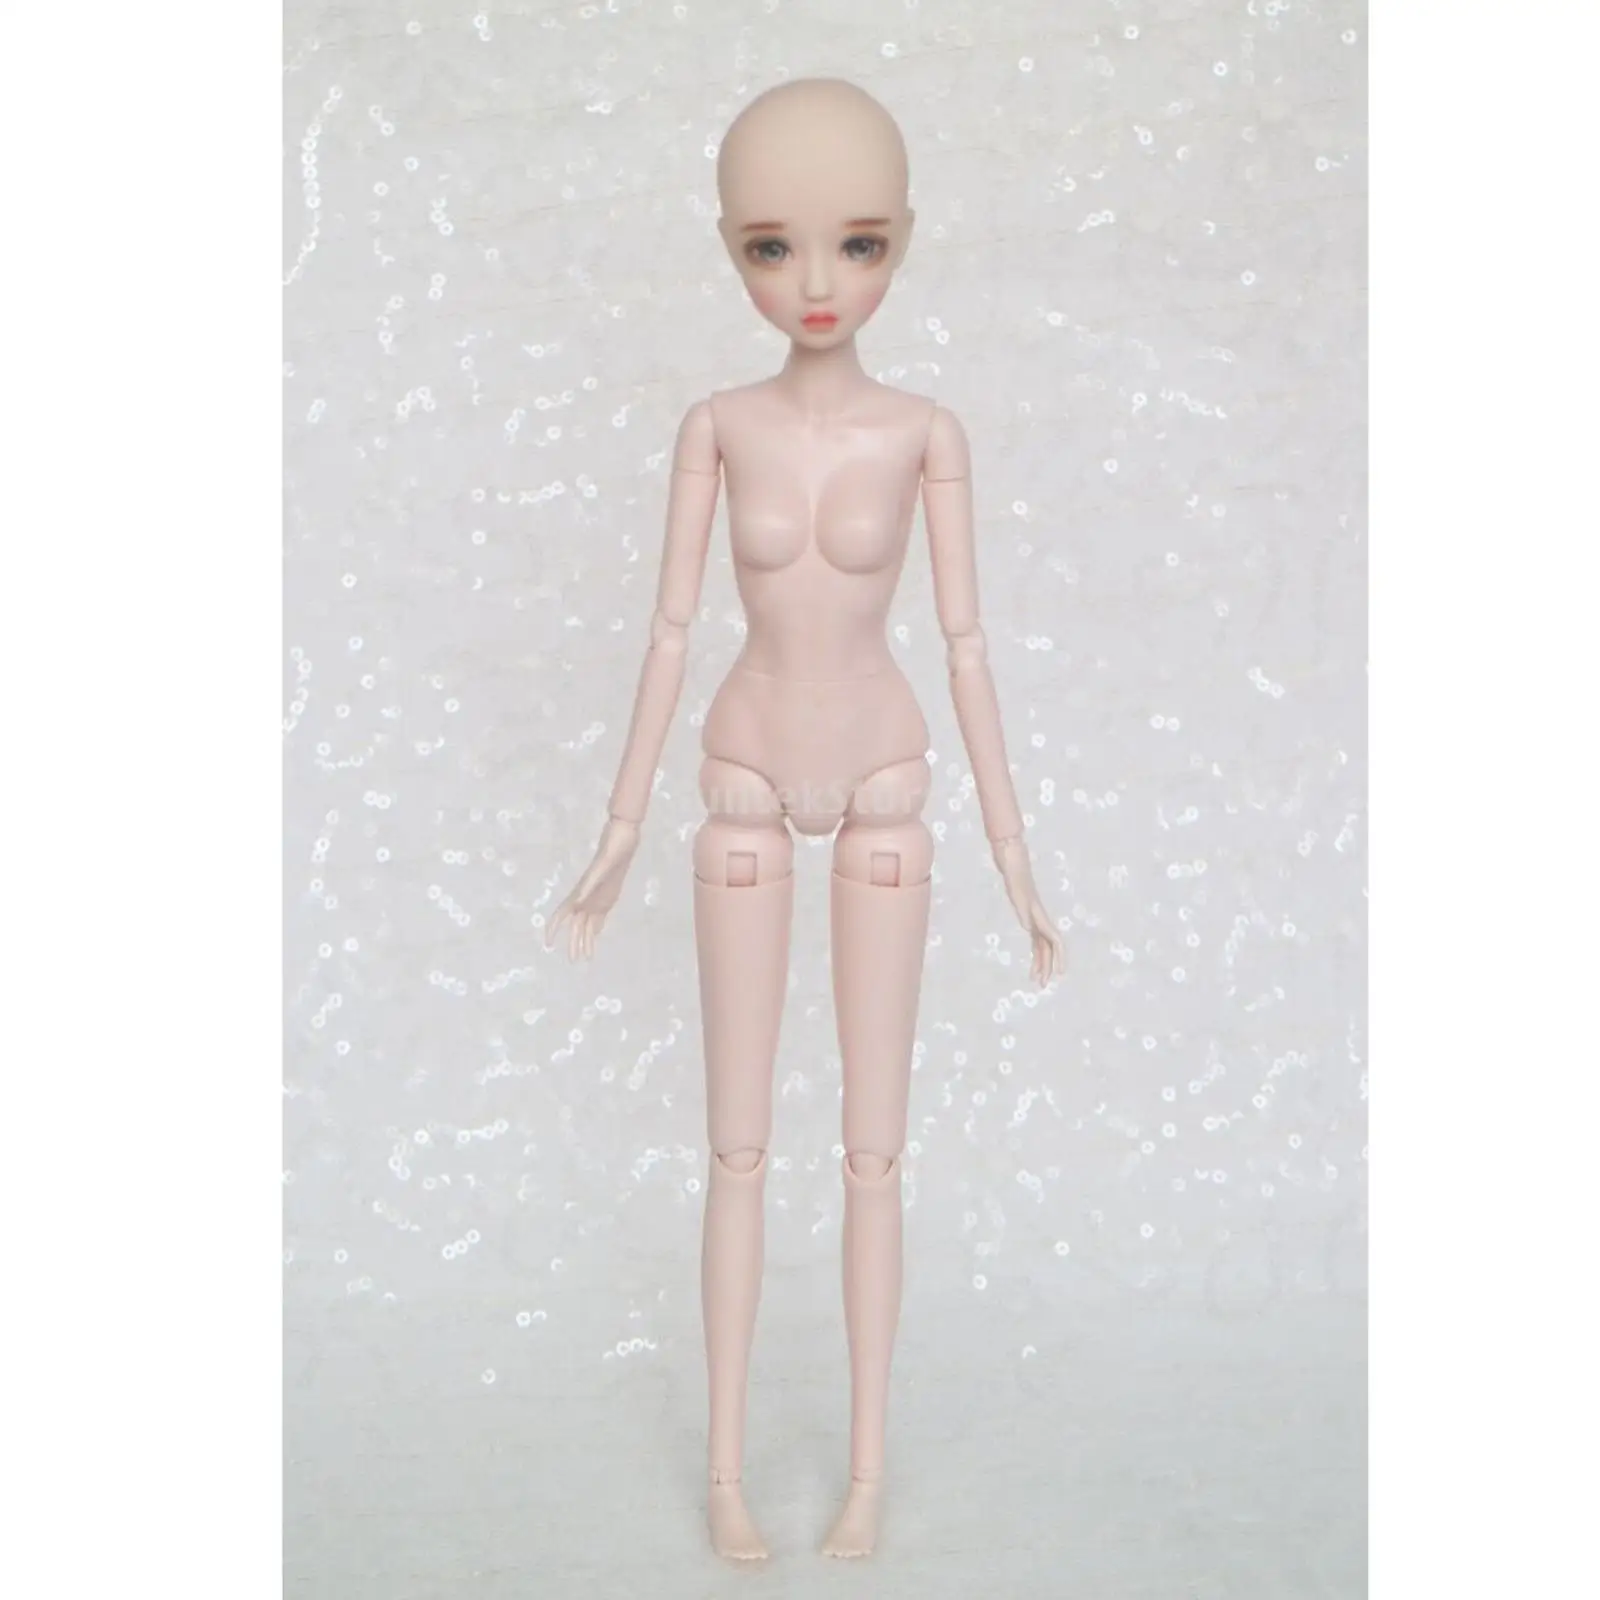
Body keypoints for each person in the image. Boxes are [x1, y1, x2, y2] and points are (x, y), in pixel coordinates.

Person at [546, 76, 1064, 1561]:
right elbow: (666, 631)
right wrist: (619, 830)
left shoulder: (925, 431)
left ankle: (864, 1472)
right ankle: (724, 1471)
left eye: (860, 244)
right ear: (729, 244)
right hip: (745, 772)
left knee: (874, 1151)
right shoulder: (717, 425)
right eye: (773, 247)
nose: (817, 284)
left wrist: (1018, 856)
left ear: (905, 240)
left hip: (889, 769)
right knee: (738, 1148)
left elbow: (967, 644)